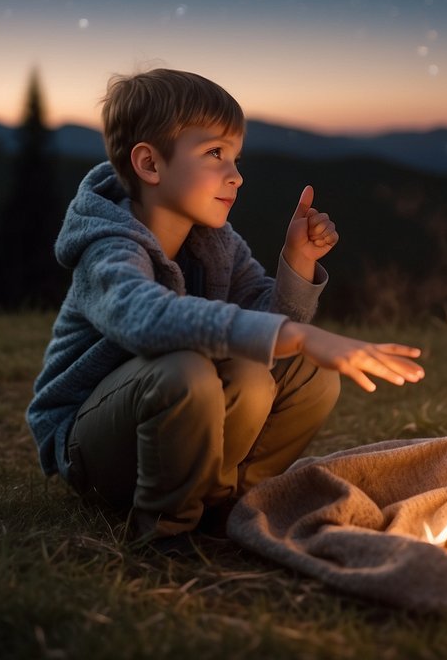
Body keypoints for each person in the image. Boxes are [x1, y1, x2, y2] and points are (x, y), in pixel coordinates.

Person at [27, 68, 425, 544]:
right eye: (215, 153)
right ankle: (166, 532)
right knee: (185, 371)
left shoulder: (215, 242)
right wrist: (294, 335)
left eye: (235, 156)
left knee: (301, 370)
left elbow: (265, 321)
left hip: (180, 435)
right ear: (150, 165)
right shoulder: (107, 248)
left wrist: (296, 262)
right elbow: (145, 319)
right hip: (94, 447)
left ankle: (237, 510)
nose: (236, 175)